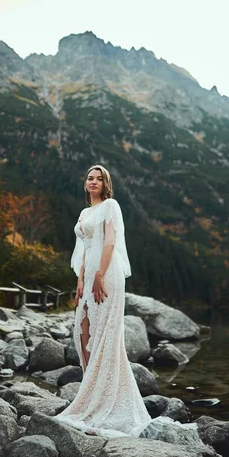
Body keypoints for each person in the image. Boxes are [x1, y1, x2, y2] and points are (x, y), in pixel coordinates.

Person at [54, 164, 152, 437]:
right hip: (89, 276)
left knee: (105, 335)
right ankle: (92, 393)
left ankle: (103, 399)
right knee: (82, 333)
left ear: (105, 184)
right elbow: (85, 249)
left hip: (107, 274)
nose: (93, 181)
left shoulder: (111, 206)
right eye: (89, 178)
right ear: (85, 184)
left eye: (99, 178)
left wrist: (99, 275)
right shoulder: (85, 212)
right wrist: (81, 281)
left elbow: (109, 242)